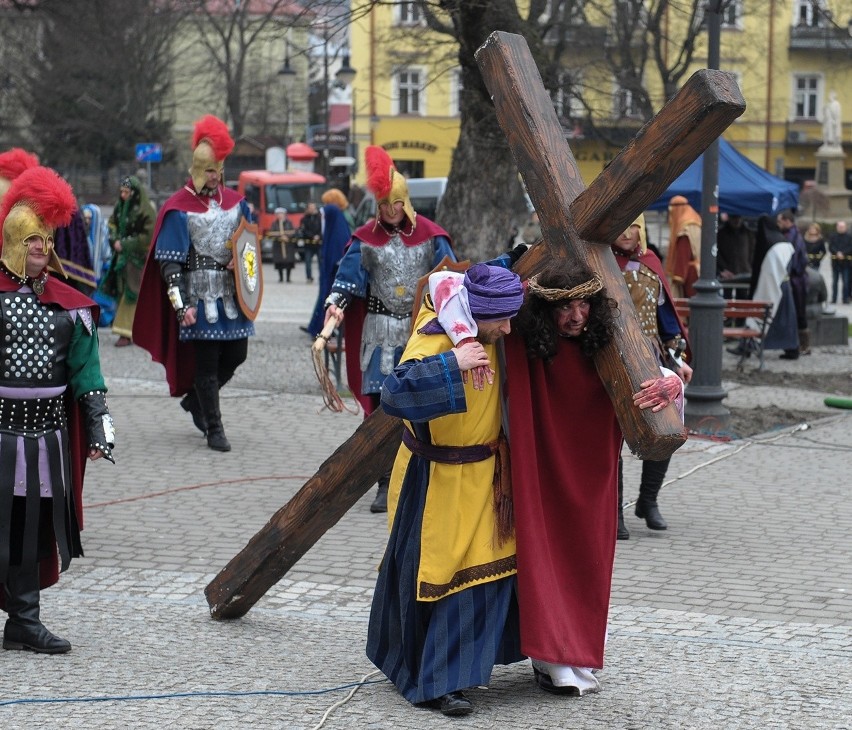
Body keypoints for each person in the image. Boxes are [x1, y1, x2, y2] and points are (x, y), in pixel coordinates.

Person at [503, 257, 683, 696]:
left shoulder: (607, 345)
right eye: (565, 307)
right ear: (546, 310)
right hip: (540, 466)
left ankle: (577, 653)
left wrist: (672, 383)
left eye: (585, 305)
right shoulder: (522, 346)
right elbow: (471, 294)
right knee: (545, 557)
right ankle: (551, 660)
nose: (576, 316)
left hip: (594, 470)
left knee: (587, 559)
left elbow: (650, 379)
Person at [367, 263, 526, 717]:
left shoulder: (482, 321)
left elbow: (492, 269)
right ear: (480, 311)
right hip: (437, 480)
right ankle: (434, 681)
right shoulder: (437, 335)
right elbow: (394, 394)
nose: (508, 329)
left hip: (487, 477)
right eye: (503, 319)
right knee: (441, 579)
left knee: (487, 574)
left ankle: (462, 673)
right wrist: (451, 364)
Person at [0, 165, 115, 654]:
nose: (40, 252)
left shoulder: (72, 309)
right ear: (11, 242)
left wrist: (98, 426)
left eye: (45, 243)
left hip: (46, 436)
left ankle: (24, 622)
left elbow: (87, 375)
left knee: (31, 527)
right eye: (31, 243)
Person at [324, 146, 455, 513]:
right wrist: (336, 304)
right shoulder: (365, 239)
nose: (388, 211)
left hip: (420, 333)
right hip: (379, 332)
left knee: (421, 406)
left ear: (405, 202)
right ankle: (384, 482)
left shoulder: (432, 236)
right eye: (383, 205)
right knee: (383, 410)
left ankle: (421, 479)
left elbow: (448, 281)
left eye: (394, 204)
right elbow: (348, 279)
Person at [133, 114, 254, 453]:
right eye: (209, 170)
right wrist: (180, 305)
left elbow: (251, 245)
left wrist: (242, 260)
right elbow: (168, 263)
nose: (214, 176)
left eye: (218, 169)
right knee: (206, 363)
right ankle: (214, 428)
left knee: (236, 355)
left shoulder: (235, 203)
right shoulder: (179, 208)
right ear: (198, 170)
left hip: (231, 294)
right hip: (199, 296)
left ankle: (195, 402)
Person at [611, 215, 691, 539]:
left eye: (633, 226)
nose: (627, 232)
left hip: (653, 361)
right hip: (612, 360)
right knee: (611, 439)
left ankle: (648, 500)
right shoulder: (599, 263)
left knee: (666, 427)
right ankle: (613, 513)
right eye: (621, 225)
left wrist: (679, 358)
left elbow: (667, 321)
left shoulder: (650, 263)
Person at [101, 176, 155, 347]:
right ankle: (136, 330)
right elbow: (112, 225)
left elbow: (148, 235)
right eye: (121, 192)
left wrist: (125, 244)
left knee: (132, 295)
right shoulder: (119, 207)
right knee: (122, 292)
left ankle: (126, 331)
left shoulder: (144, 210)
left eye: (126, 192)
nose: (123, 195)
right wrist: (115, 240)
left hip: (136, 260)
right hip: (120, 260)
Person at [746, 215, 799, 355]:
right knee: (787, 320)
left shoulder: (767, 242)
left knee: (759, 318)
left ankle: (749, 346)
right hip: (784, 285)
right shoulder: (784, 241)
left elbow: (763, 269)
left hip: (771, 285)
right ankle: (792, 348)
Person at [305, 190, 353, 337]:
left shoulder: (335, 216)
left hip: (334, 271)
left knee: (327, 297)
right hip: (332, 268)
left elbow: (337, 250)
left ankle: (322, 326)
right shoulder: (340, 219)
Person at [776, 210, 810, 357]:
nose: (778, 224)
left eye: (780, 221)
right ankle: (801, 345)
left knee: (798, 313)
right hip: (798, 279)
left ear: (786, 221)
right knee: (799, 313)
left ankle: (801, 345)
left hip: (797, 281)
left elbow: (794, 261)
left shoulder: (792, 236)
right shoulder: (794, 234)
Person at [664, 195, 701, 298]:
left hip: (689, 276)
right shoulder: (695, 218)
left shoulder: (684, 228)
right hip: (698, 272)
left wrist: (678, 276)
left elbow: (683, 254)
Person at [716, 213, 755, 280]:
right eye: (734, 218)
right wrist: (723, 267)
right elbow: (718, 253)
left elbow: (753, 251)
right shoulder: (721, 234)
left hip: (744, 270)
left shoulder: (748, 233)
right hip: (728, 271)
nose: (737, 221)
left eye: (739, 218)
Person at [269, 207, 296, 283]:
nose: (280, 215)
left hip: (288, 245)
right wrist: (280, 237)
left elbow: (293, 232)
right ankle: (280, 278)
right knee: (279, 262)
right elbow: (271, 233)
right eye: (278, 214)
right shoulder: (274, 224)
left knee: (288, 262)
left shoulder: (289, 223)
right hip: (278, 245)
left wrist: (287, 237)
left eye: (281, 214)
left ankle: (288, 278)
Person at [828, 220, 852, 304]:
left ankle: (845, 298)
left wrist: (843, 253)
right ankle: (834, 298)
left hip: (846, 263)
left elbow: (850, 247)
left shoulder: (849, 237)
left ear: (845, 227)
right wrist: (837, 253)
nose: (841, 228)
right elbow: (831, 247)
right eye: (839, 227)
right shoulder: (833, 236)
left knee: (846, 282)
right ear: (837, 227)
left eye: (842, 227)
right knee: (835, 282)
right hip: (835, 263)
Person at [297, 202, 322, 282]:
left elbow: (323, 228)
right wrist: (312, 236)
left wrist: (319, 236)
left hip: (319, 243)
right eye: (310, 207)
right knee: (307, 261)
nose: (312, 209)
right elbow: (303, 230)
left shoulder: (320, 217)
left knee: (321, 262)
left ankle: (321, 276)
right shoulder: (304, 219)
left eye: (313, 207)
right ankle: (309, 277)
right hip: (309, 243)